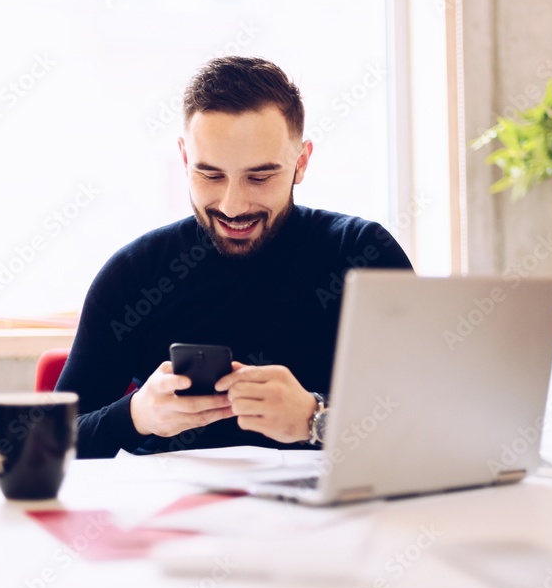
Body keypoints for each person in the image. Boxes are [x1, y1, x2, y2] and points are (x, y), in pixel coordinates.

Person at [57, 56, 413, 458]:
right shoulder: (135, 273)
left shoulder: (362, 253)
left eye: (260, 177)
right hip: (172, 517)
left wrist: (315, 418)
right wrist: (133, 415)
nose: (232, 204)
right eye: (210, 175)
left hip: (331, 515)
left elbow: (432, 423)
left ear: (302, 162)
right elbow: (37, 445)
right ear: (185, 158)